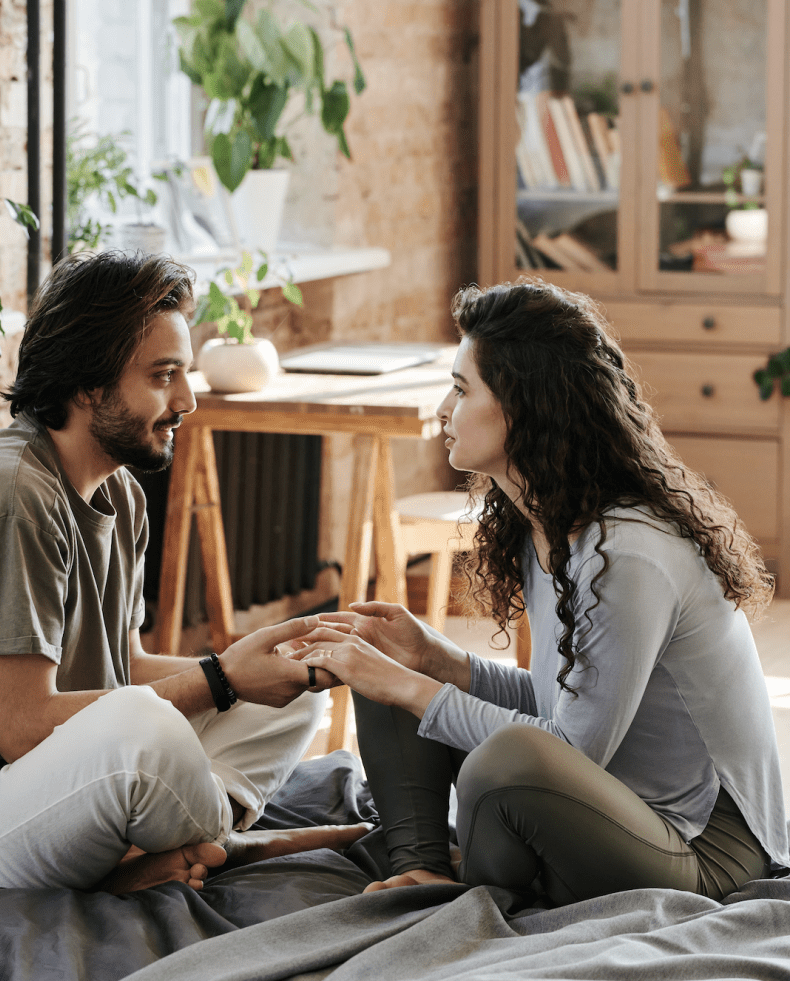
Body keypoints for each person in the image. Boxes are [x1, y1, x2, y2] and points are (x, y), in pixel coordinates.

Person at [0, 249, 364, 895]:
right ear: (87, 384)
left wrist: (256, 665)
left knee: (284, 696)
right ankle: (223, 842)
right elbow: (24, 726)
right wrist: (220, 678)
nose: (187, 401)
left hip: (40, 790)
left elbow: (122, 666)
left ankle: (188, 846)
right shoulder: (8, 495)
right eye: (163, 375)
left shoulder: (119, 494)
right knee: (145, 727)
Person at [294, 279, 789, 906]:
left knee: (501, 756)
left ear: (525, 406)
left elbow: (568, 750)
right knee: (387, 660)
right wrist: (432, 663)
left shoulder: (627, 551)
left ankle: (479, 872)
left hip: (703, 850)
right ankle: (422, 867)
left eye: (462, 388)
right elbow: (570, 709)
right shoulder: (547, 524)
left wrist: (415, 688)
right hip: (611, 808)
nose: (443, 410)